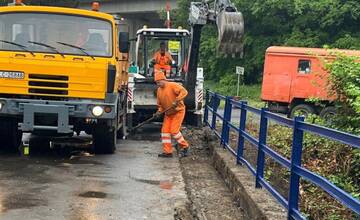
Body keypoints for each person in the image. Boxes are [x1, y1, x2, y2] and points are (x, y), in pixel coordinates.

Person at [154, 70, 189, 158]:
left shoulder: (172, 85)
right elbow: (160, 104)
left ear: (163, 80)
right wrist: (159, 111)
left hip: (178, 111)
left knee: (174, 131)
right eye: (156, 83)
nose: (157, 84)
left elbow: (184, 92)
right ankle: (168, 152)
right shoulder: (159, 90)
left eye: (158, 82)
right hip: (168, 113)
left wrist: (177, 100)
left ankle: (185, 147)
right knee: (165, 132)